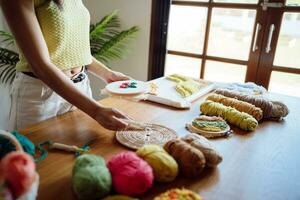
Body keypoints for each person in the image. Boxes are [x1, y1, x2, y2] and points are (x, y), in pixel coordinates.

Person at [0, 0, 132, 131]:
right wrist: (96, 111)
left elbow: (73, 50)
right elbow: (40, 65)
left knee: (83, 150)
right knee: (36, 151)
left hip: (80, 88)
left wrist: (107, 74)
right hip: (40, 94)